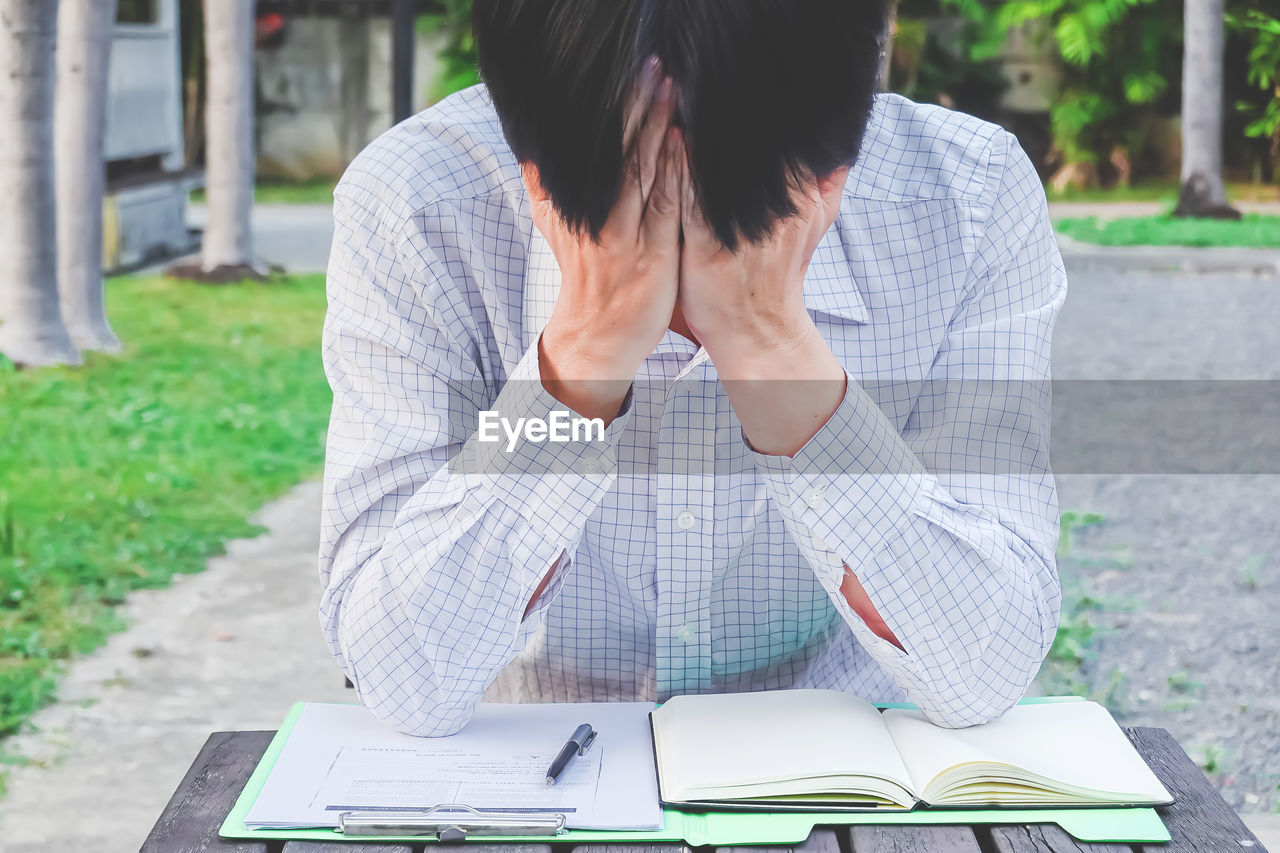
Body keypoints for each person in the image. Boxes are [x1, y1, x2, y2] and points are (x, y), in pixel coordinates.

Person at [319, 0, 1067, 737]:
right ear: (534, 166)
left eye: (721, 213)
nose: (674, 232)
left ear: (836, 169)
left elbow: (987, 668)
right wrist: (582, 352)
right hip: (536, 778)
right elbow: (398, 676)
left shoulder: (967, 198)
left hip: (848, 787)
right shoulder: (416, 204)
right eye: (632, 199)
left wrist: (769, 343)